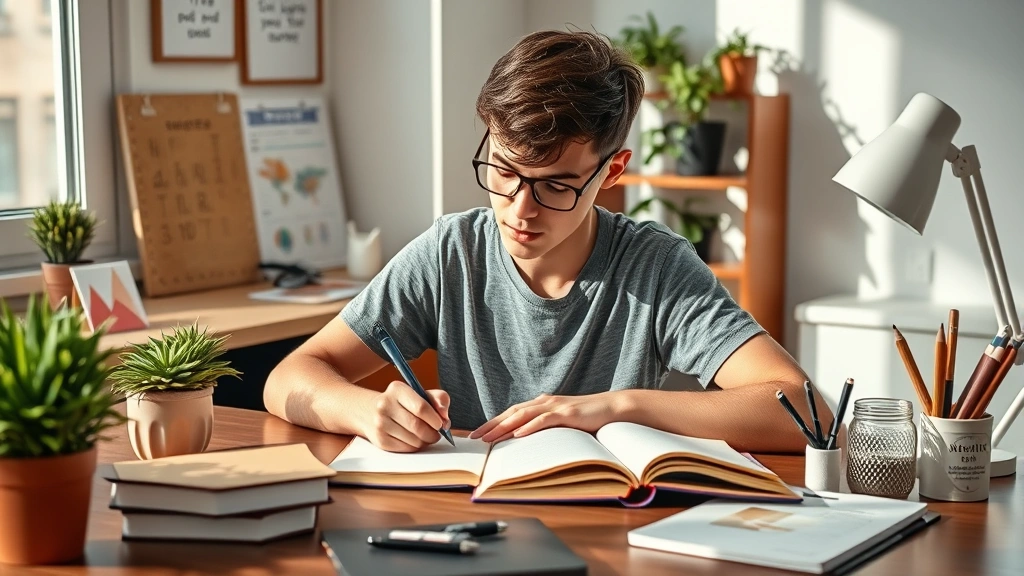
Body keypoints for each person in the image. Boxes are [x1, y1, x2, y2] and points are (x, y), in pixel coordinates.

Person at [264, 29, 832, 454]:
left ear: (611, 172)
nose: (520, 209)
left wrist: (615, 408)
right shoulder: (451, 253)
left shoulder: (655, 267)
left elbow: (808, 413)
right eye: (505, 171)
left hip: (615, 528)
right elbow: (290, 375)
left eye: (556, 185)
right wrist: (368, 411)